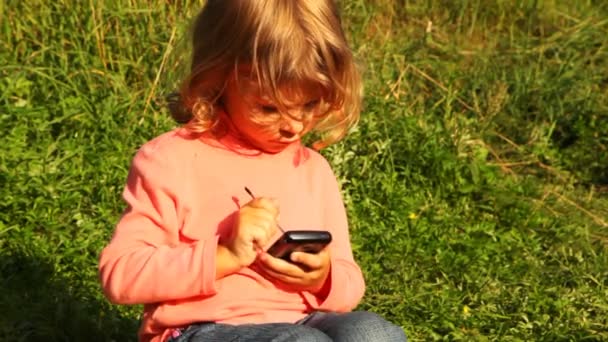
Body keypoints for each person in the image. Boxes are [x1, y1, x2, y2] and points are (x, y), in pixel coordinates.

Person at [98, 0, 407, 341]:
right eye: (268, 108)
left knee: (373, 333)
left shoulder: (312, 170)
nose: (293, 126)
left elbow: (350, 280)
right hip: (199, 329)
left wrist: (324, 278)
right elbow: (121, 274)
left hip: (302, 321)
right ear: (217, 78)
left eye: (310, 104)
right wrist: (225, 254)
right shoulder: (171, 159)